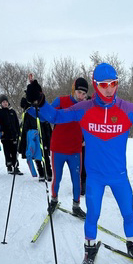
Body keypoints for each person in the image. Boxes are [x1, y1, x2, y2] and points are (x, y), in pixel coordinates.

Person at [25, 63, 133, 264]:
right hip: (95, 177)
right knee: (93, 214)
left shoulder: (126, 109)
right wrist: (40, 101)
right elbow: (55, 117)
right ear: (96, 86)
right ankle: (89, 251)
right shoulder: (84, 108)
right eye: (104, 85)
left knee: (128, 212)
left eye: (113, 84)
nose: (109, 89)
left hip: (119, 176)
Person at [47, 77, 89, 218]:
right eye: (79, 92)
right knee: (56, 178)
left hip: (75, 150)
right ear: (73, 90)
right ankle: (54, 200)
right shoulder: (61, 101)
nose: (81, 96)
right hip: (58, 148)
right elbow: (48, 115)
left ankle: (76, 206)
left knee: (76, 180)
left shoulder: (86, 106)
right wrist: (34, 107)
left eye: (84, 94)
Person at [19, 96, 52, 181]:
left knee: (45, 155)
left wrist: (49, 136)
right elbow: (24, 126)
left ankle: (48, 172)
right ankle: (41, 173)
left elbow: (47, 123)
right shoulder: (28, 113)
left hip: (43, 136)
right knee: (36, 155)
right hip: (33, 137)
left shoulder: (42, 110)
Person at [0, 95, 23, 175]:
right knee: (7, 152)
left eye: (6, 102)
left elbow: (16, 122)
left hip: (13, 135)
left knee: (14, 151)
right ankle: (9, 166)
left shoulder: (12, 111)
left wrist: (18, 132)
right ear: (1, 103)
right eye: (3, 102)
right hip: (4, 136)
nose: (5, 103)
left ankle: (16, 166)